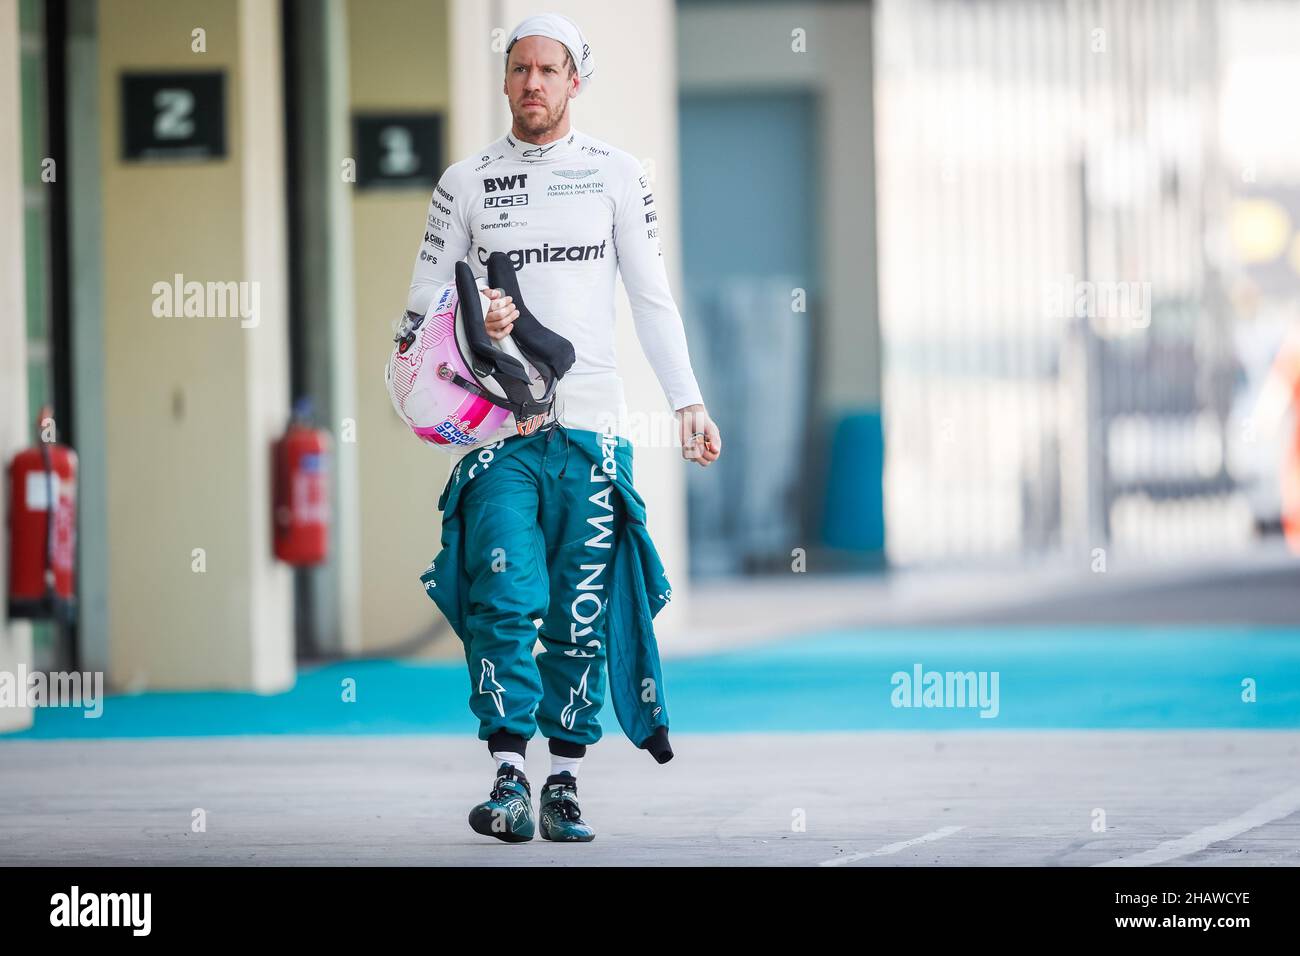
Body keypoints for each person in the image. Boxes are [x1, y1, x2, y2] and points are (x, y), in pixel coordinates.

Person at [408, 13, 722, 843]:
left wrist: (687, 400)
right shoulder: (464, 183)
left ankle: (566, 779)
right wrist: (475, 314)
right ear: (504, 79)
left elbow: (652, 298)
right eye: (520, 70)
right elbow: (418, 315)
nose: (534, 84)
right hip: (499, 437)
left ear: (575, 80)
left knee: (577, 612)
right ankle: (509, 774)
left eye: (549, 70)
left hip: (592, 431)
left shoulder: (619, 174)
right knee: (505, 599)